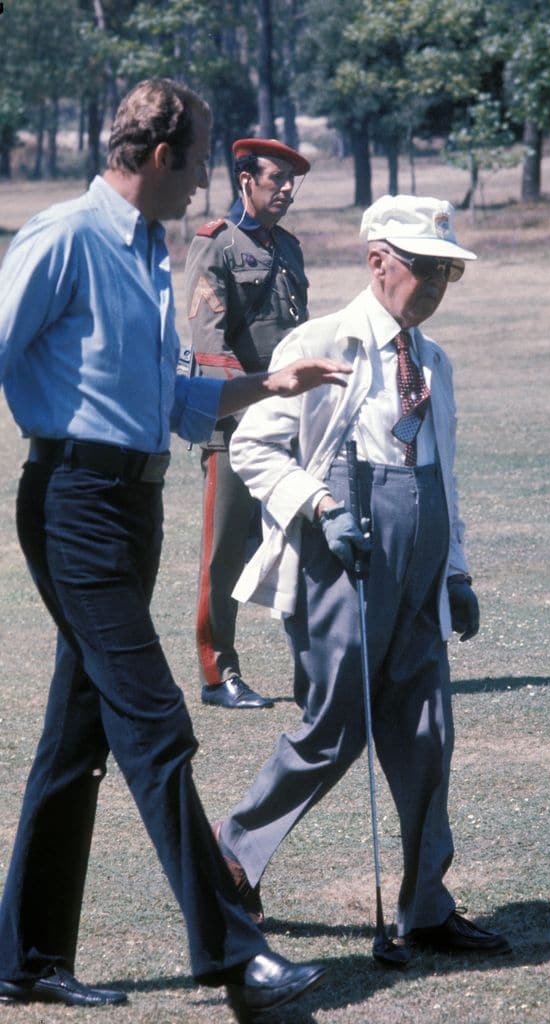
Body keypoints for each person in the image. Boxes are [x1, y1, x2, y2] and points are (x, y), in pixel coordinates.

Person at [0, 78, 351, 1018]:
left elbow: (176, 406)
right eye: (198, 164)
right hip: (73, 502)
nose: (204, 183)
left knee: (76, 740)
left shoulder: (149, 255)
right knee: (155, 723)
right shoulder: (65, 237)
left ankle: (26, 957)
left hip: (132, 507)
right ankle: (236, 955)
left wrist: (273, 383)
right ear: (161, 159)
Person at [213, 194, 512, 957]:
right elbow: (251, 448)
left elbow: (442, 474)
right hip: (342, 552)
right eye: (425, 269)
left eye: (450, 272)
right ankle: (228, 863)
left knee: (426, 730)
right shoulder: (322, 341)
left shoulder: (434, 361)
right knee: (333, 730)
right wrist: (318, 505)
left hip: (420, 557)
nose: (438, 284)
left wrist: (456, 571)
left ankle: (427, 905)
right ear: (378, 260)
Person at [182, 137, 311, 709]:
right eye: (275, 178)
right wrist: (256, 399)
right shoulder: (216, 246)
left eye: (291, 180)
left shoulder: (289, 247)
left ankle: (316, 668)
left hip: (292, 419)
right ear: (245, 181)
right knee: (226, 550)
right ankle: (218, 674)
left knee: (304, 541)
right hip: (235, 421)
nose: (285, 188)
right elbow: (208, 344)